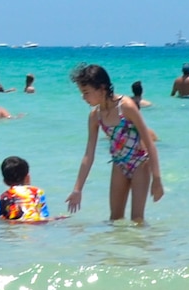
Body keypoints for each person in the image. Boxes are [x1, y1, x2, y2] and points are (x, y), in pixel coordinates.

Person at [67, 63, 164, 222]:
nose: (83, 97)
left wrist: (157, 179)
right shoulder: (95, 116)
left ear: (102, 88)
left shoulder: (126, 106)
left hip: (140, 162)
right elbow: (88, 155)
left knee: (137, 218)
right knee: (115, 219)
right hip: (119, 164)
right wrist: (77, 189)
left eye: (86, 93)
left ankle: (144, 245)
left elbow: (149, 142)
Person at [0, 155, 49, 222]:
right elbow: (44, 215)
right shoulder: (38, 192)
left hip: (13, 224)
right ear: (27, 177)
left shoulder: (2, 197)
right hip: (34, 225)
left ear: (5, 182)